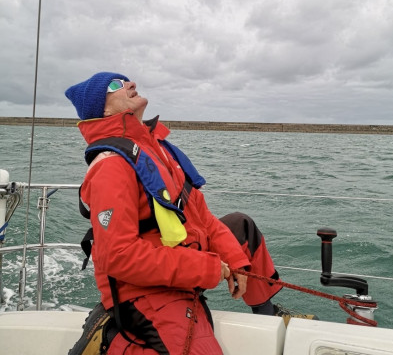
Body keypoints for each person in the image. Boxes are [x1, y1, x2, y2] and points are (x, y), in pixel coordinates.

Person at [65, 72, 286, 354]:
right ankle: (113, 341)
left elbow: (204, 218)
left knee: (241, 228)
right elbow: (118, 257)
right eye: (115, 85)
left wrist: (235, 261)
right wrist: (206, 268)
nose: (131, 84)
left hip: (182, 267)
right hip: (144, 291)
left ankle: (268, 314)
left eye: (127, 80)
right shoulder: (111, 165)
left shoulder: (157, 151)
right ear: (103, 110)